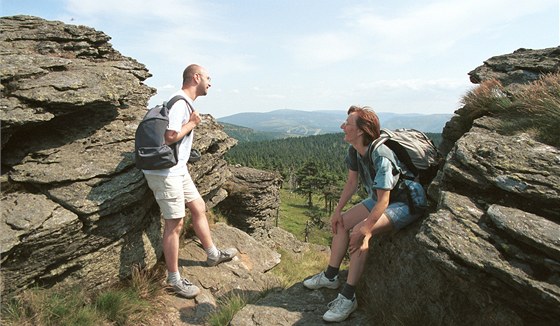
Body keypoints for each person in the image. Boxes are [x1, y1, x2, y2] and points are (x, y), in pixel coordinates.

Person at [303, 105, 427, 322]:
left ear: (360, 131)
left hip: (405, 203)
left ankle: (348, 297)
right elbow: (352, 182)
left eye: (348, 124)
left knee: (359, 234)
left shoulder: (381, 154)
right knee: (342, 223)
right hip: (381, 199)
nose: (343, 126)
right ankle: (331, 276)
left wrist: (366, 228)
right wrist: (338, 210)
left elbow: (384, 200)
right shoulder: (355, 150)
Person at [142, 64, 238, 299]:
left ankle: (212, 254)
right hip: (166, 173)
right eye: (207, 77)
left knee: (198, 207)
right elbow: (170, 136)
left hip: (177, 169)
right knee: (175, 224)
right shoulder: (179, 103)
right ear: (196, 78)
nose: (210, 82)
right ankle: (173, 279)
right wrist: (193, 124)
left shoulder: (183, 102)